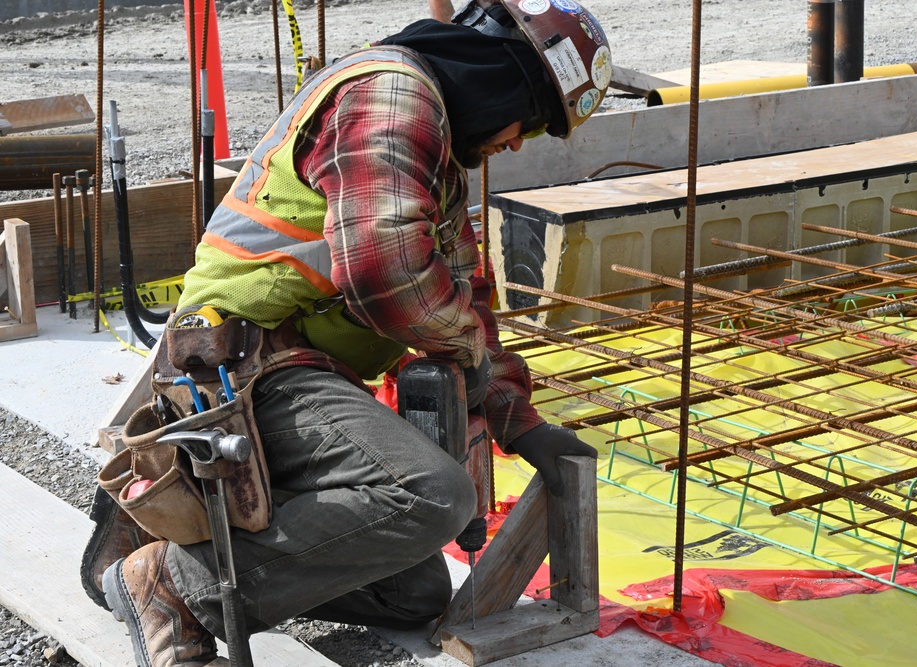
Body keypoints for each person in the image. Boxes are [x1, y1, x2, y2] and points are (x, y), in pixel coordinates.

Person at [96, 1, 612, 664]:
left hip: (295, 372)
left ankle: (214, 556)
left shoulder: (434, 154)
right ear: (505, 78)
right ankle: (172, 583)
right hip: (245, 367)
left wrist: (516, 416)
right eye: (530, 122)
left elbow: (464, 295)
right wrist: (472, 364)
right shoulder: (392, 98)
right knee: (431, 494)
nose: (515, 141)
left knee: (414, 590)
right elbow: (384, 272)